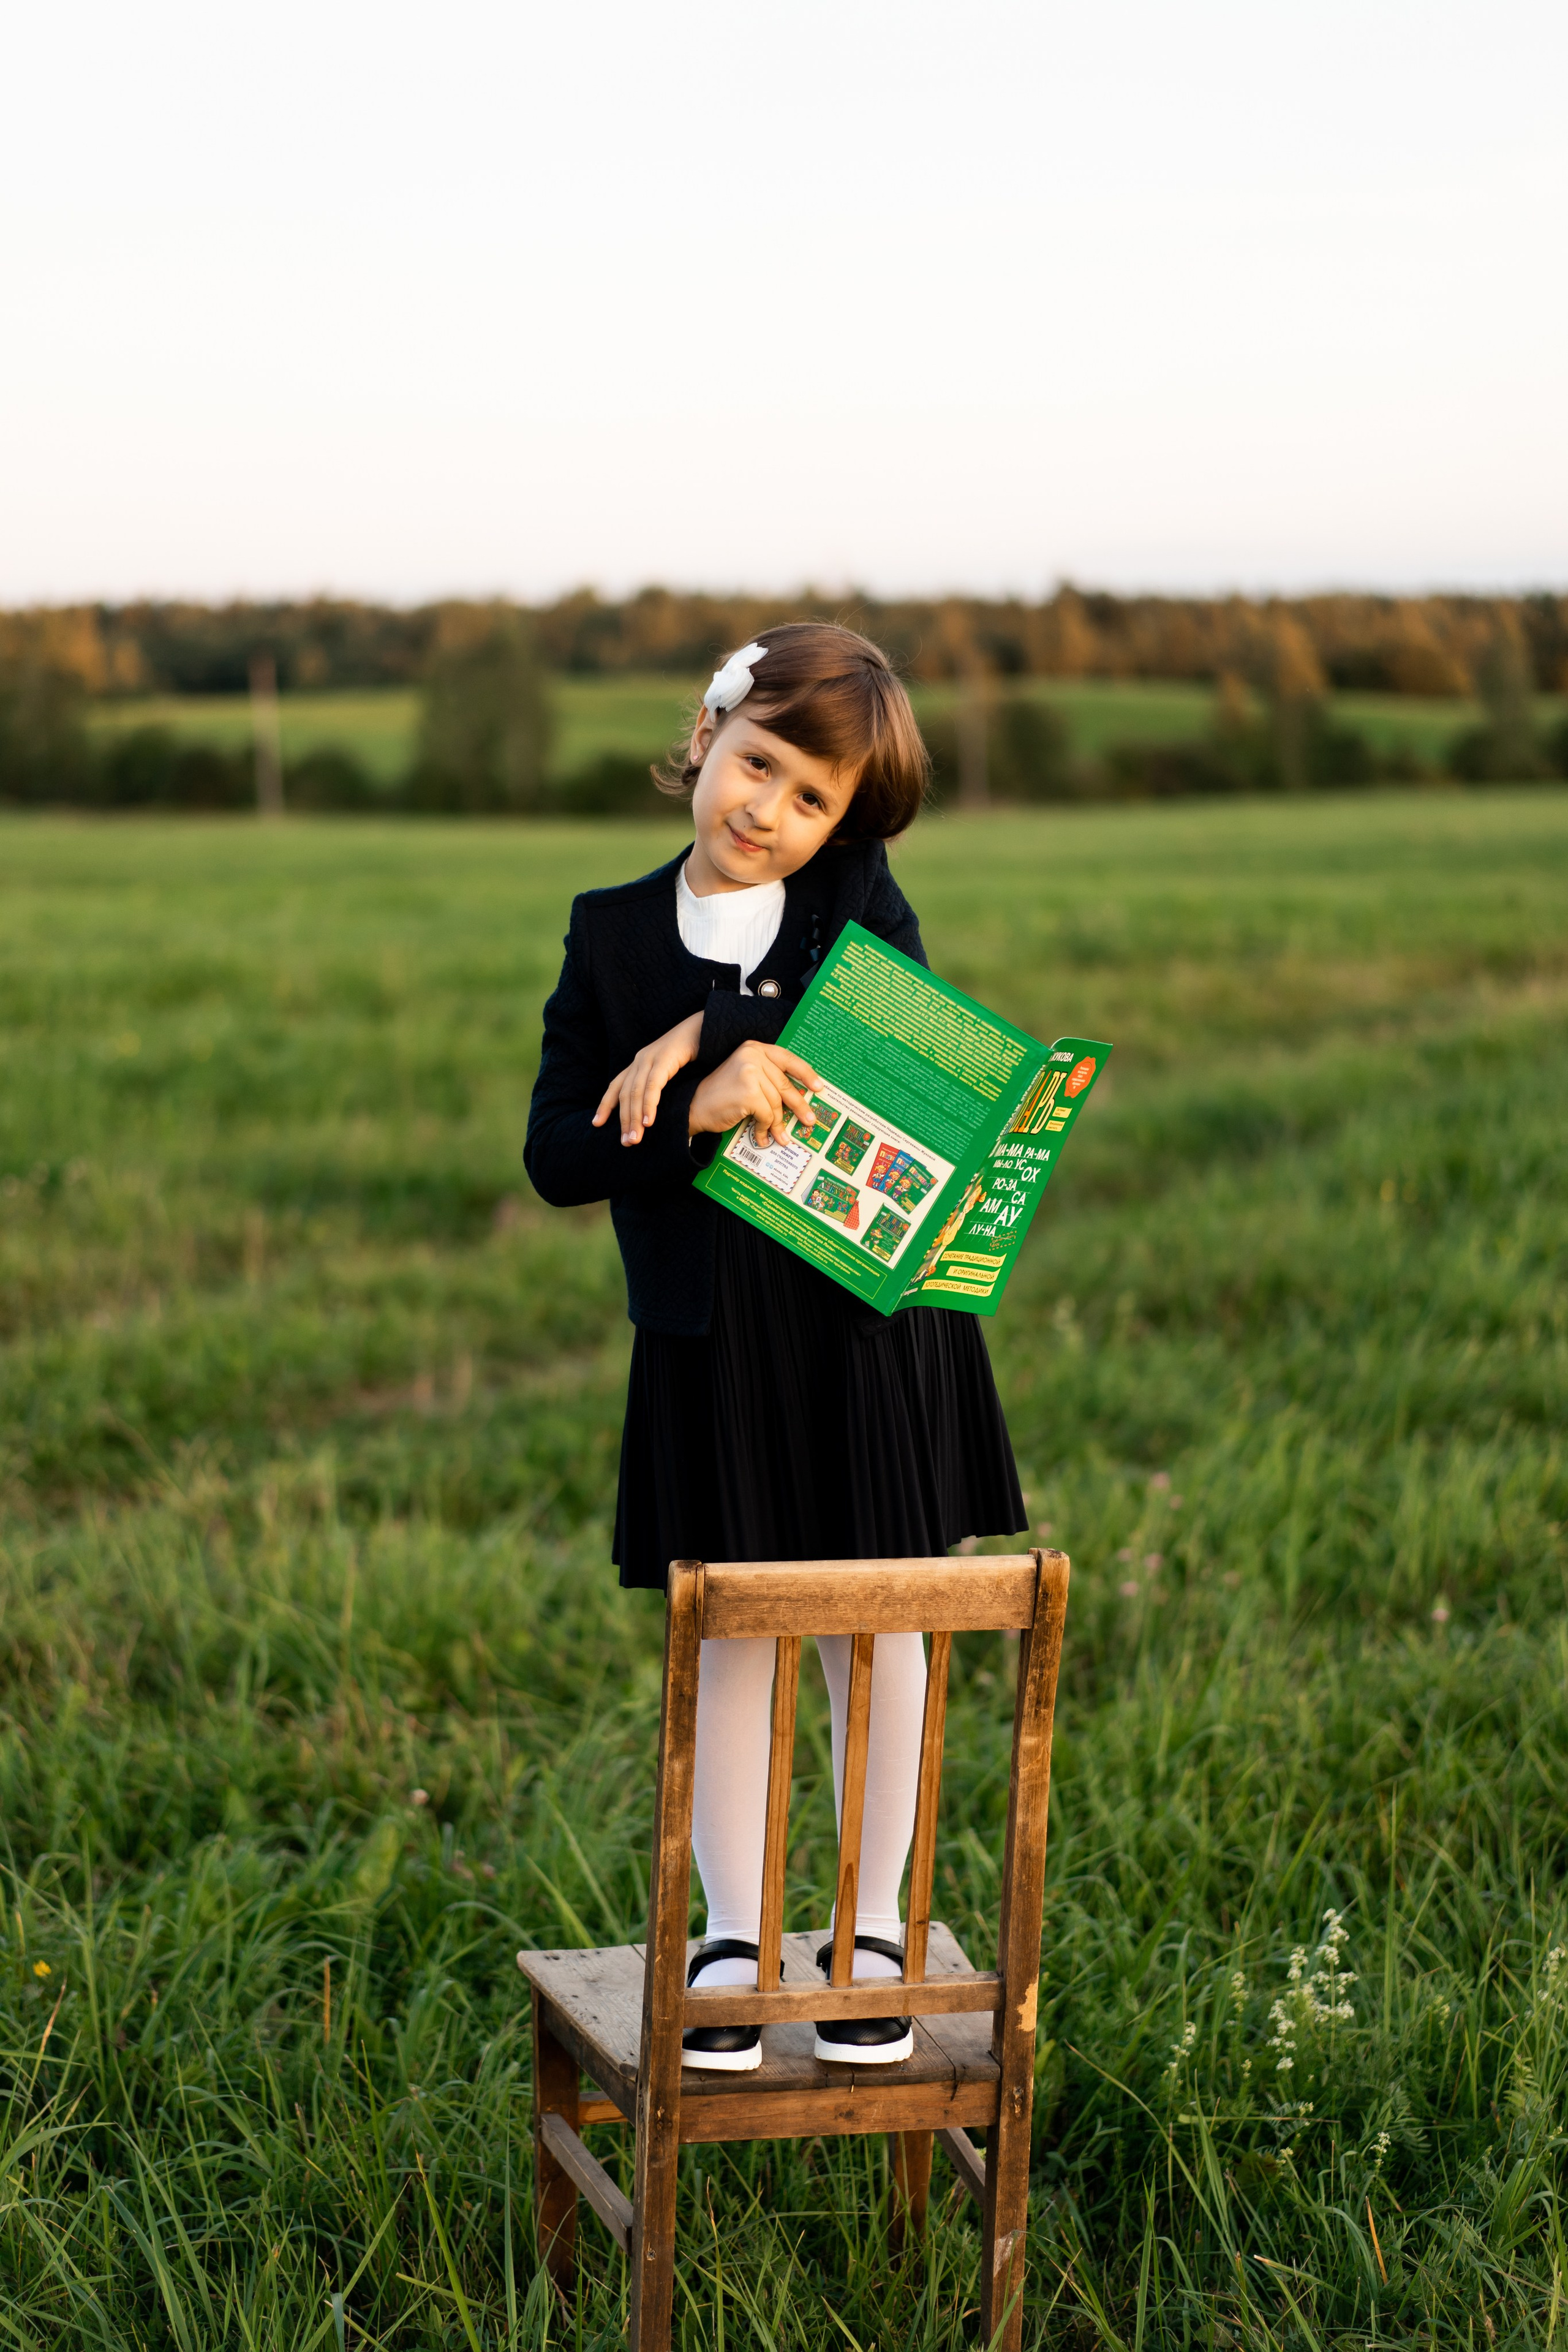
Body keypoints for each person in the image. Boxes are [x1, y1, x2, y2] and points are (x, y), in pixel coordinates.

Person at [525, 622, 1025, 2070]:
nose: (769, 813)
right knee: (733, 1635)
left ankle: (869, 1936)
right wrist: (691, 1103)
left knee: (877, 1629)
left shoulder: (853, 899)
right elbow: (558, 1154)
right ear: (706, 735)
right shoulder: (609, 932)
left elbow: (903, 1053)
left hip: (871, 1330)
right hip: (709, 1344)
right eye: (756, 767)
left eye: (810, 799)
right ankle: (736, 1935)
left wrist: (705, 1033)